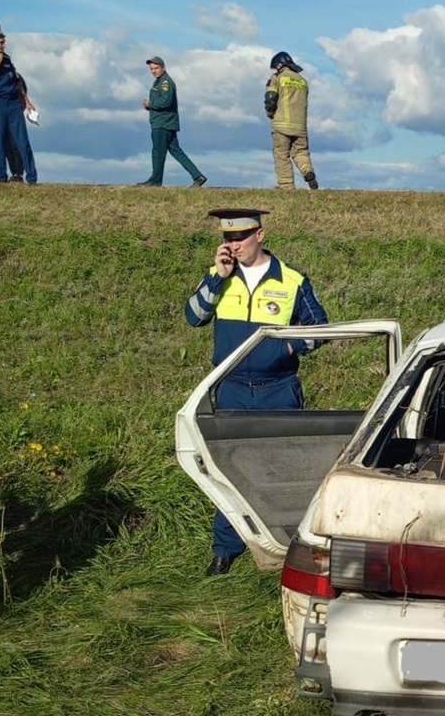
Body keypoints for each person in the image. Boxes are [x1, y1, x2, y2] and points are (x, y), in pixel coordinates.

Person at [184, 208, 328, 575]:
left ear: (259, 236)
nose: (233, 246)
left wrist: (288, 349)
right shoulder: (219, 278)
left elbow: (321, 327)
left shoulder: (292, 279)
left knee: (283, 468)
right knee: (228, 470)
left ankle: (288, 547)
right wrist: (217, 278)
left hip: (278, 389)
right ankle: (225, 549)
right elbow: (193, 316)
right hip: (231, 390)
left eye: (240, 239)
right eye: (227, 239)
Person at [138, 56, 206, 187]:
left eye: (156, 68)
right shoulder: (159, 82)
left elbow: (165, 101)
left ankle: (155, 180)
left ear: (163, 67)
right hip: (166, 123)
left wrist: (150, 104)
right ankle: (198, 176)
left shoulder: (165, 83)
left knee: (158, 151)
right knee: (176, 151)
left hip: (162, 124)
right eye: (151, 69)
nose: (154, 71)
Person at [265, 52, 318, 190]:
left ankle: (286, 186)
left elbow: (270, 99)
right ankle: (308, 171)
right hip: (300, 126)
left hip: (281, 124)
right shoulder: (302, 81)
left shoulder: (277, 78)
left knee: (281, 155)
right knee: (301, 152)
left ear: (279, 65)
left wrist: (270, 114)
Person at [0, 24, 37, 185]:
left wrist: (27, 101)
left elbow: (17, 82)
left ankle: (31, 177)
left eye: (3, 38)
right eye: (0, 38)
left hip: (13, 103)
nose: (3, 40)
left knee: (22, 140)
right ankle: (0, 177)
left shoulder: (8, 59)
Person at [3, 73, 34, 182]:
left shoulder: (11, 73)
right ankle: (15, 173)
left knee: (15, 143)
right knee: (6, 144)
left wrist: (26, 102)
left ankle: (18, 174)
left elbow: (20, 86)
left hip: (13, 108)